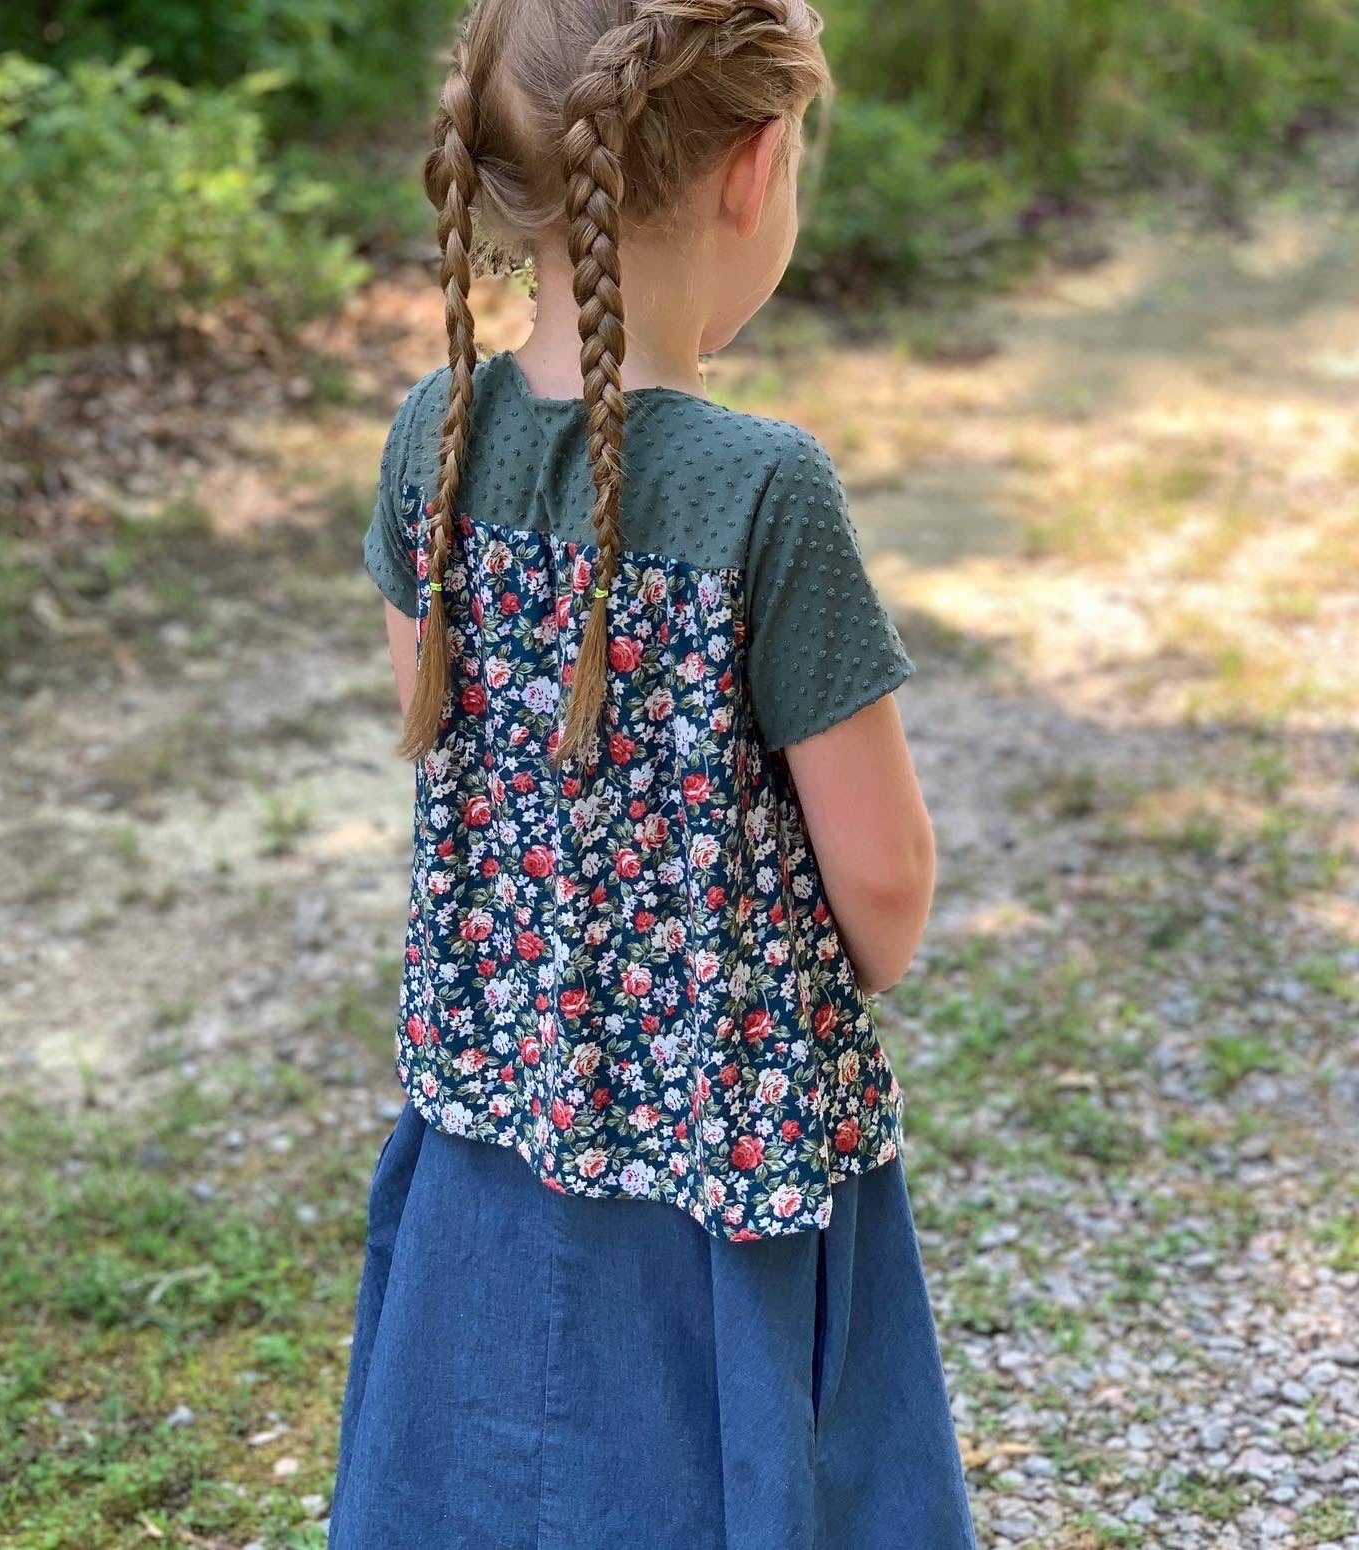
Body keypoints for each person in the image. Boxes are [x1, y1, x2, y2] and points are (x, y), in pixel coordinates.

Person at [328, 2, 978, 1546]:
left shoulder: (439, 433)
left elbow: (440, 721)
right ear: (757, 169)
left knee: (484, 1486)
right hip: (725, 1164)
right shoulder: (764, 490)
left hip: (490, 1131)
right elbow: (881, 894)